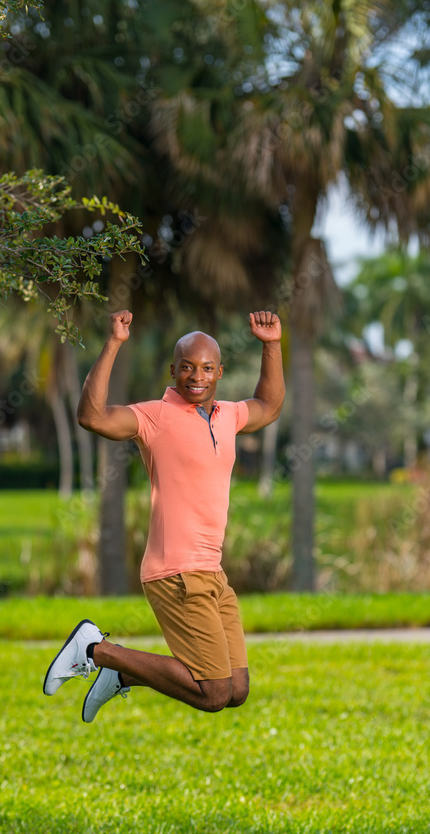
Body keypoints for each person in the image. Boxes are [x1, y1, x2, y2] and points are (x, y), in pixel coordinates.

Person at [43, 309, 285, 722]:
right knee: (212, 693)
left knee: (236, 690)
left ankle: (124, 674)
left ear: (220, 372)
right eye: (187, 367)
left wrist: (272, 345)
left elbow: (269, 404)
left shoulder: (227, 416)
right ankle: (94, 649)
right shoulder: (154, 416)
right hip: (175, 571)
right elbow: (91, 416)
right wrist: (114, 343)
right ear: (173, 370)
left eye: (207, 368)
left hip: (211, 571)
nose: (197, 376)